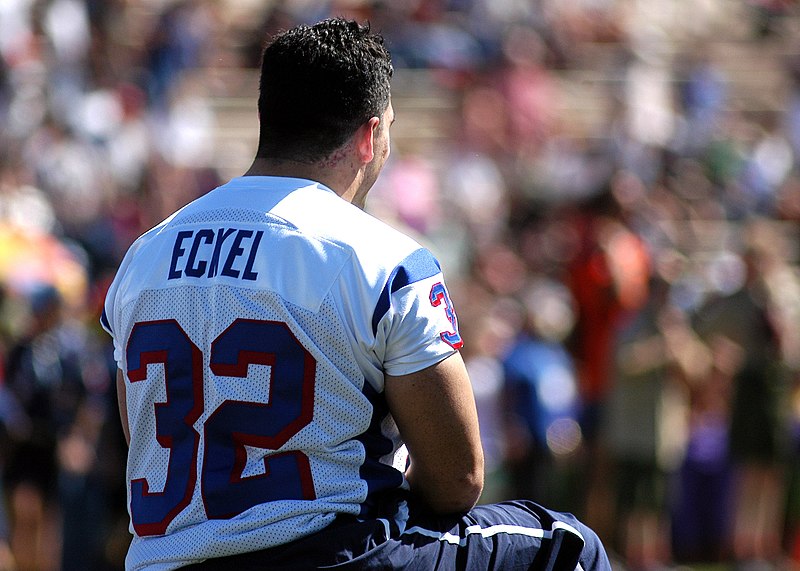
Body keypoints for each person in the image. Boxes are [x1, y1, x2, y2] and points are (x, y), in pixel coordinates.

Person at [101, 18, 611, 571]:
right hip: (329, 556)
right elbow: (458, 481)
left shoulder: (143, 257)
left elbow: (144, 439)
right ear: (370, 136)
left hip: (164, 561)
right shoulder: (379, 259)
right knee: (568, 547)